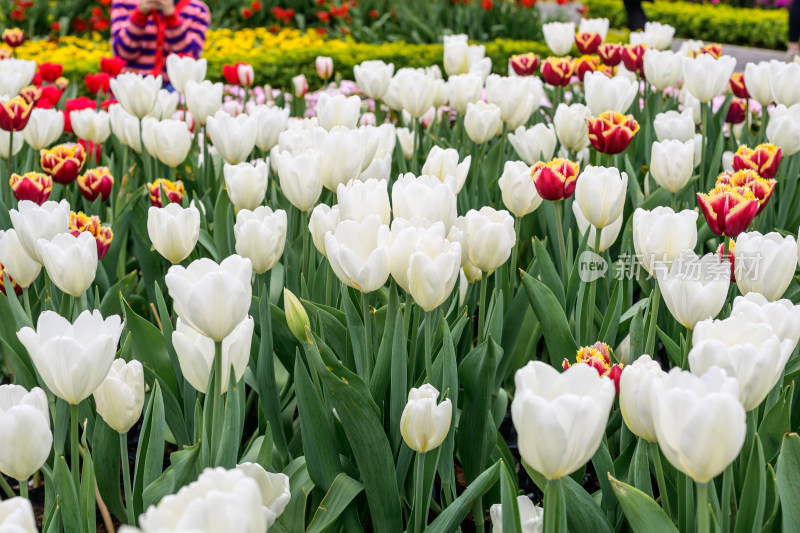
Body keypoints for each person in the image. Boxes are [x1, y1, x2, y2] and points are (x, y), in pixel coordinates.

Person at [111, 0, 211, 77]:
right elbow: (122, 54)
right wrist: (140, 14)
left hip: (173, 89)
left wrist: (171, 18)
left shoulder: (197, 10)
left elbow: (191, 59)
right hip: (132, 87)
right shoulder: (124, 3)